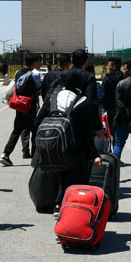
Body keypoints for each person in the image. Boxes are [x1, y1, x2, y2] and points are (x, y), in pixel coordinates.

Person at [36, 50, 101, 210]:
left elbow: (40, 115)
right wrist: (98, 130)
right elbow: (93, 104)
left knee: (62, 167)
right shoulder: (86, 84)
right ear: (86, 62)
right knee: (77, 169)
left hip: (55, 134)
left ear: (71, 60)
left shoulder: (59, 85)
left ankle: (59, 202)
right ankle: (69, 206)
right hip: (76, 133)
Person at [0, 54, 43, 165]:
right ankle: (35, 158)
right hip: (30, 107)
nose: (40, 64)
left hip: (20, 106)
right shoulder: (34, 74)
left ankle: (5, 154)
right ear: (34, 62)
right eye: (39, 62)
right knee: (35, 131)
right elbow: (39, 88)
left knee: (16, 131)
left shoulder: (19, 72)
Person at [101, 57, 124, 131]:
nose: (108, 67)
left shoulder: (106, 79)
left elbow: (103, 95)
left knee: (109, 131)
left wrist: (103, 108)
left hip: (109, 109)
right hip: (121, 109)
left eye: (109, 65)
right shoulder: (124, 78)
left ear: (113, 66)